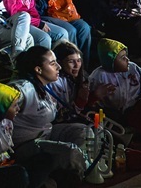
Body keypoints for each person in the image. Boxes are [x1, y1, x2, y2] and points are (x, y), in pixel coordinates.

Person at [9, 46, 86, 185]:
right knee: (70, 152)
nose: (58, 67)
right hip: (25, 146)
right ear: (38, 69)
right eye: (52, 63)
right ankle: (84, 175)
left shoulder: (43, 86)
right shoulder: (25, 87)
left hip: (46, 134)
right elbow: (10, 93)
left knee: (82, 131)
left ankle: (68, 172)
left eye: (57, 62)